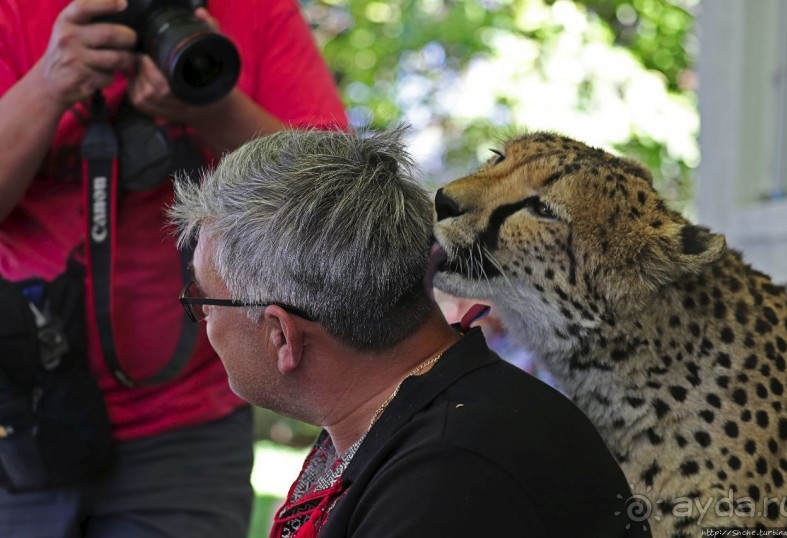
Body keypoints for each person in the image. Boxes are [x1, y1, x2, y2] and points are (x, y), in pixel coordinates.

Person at [170, 127, 651, 538]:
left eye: (204, 301)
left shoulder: (446, 482)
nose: (204, 322)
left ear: (281, 335)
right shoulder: (417, 414)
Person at [0, 0, 347, 535]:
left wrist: (213, 108)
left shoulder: (257, 13)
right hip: (21, 411)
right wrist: (50, 84)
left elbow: (338, 205)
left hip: (189, 424)